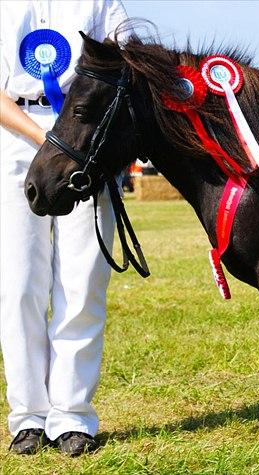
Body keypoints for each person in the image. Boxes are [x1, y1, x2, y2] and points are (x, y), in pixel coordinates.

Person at [0, 0, 128, 456]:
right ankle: (28, 416)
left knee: (83, 282)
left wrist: (79, 147)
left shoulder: (102, 4)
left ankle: (73, 415)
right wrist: (50, 144)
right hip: (18, 136)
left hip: (88, 140)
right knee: (19, 287)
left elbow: (126, 69)